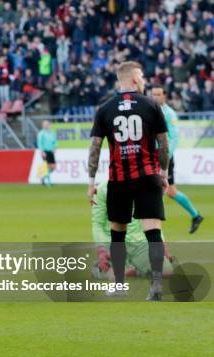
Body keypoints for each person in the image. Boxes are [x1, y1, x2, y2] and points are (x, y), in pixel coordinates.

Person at [87, 61, 170, 301]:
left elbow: (94, 148)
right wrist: (163, 174)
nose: (143, 80)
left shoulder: (105, 108)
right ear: (134, 79)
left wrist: (91, 181)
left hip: (119, 180)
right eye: (142, 76)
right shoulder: (152, 105)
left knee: (117, 232)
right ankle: (155, 286)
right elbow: (163, 145)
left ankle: (119, 285)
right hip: (147, 176)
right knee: (153, 230)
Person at [91, 182, 173, 281]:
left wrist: (162, 246)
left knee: (167, 272)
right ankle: (102, 268)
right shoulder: (102, 189)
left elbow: (154, 222)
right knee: (113, 276)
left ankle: (133, 270)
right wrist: (102, 250)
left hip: (139, 243)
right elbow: (97, 224)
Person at [150, 86, 204, 233]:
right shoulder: (151, 111)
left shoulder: (169, 113)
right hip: (152, 155)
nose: (155, 97)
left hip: (163, 158)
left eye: (158, 94)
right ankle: (196, 216)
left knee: (160, 189)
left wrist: (166, 156)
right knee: (170, 191)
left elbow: (173, 138)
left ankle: (151, 224)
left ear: (164, 96)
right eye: (153, 94)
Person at [36, 120, 57, 186]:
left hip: (51, 151)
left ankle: (43, 177)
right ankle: (49, 182)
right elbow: (39, 143)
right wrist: (42, 151)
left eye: (47, 124)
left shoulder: (52, 133)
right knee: (47, 167)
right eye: (45, 124)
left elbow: (55, 141)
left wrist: (54, 148)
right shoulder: (41, 133)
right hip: (45, 151)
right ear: (43, 125)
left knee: (53, 167)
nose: (46, 125)